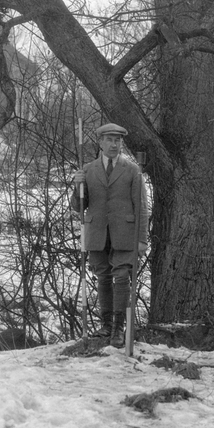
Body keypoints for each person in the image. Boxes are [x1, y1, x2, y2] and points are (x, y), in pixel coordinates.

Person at [73, 123, 150, 347]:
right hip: (97, 233)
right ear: (100, 143)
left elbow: (142, 207)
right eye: (109, 140)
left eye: (117, 140)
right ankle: (106, 325)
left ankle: (118, 327)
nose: (114, 145)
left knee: (122, 277)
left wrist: (142, 239)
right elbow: (78, 207)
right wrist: (77, 186)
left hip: (125, 233)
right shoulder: (88, 170)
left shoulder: (132, 170)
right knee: (103, 277)